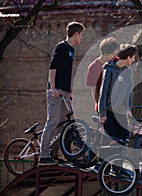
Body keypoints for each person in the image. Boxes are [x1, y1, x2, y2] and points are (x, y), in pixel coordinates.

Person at [39, 21, 85, 165]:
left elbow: (66, 73)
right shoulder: (62, 47)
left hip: (64, 93)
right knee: (52, 122)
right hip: (55, 91)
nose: (81, 38)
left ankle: (53, 153)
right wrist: (53, 88)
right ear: (76, 34)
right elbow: (53, 68)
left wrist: (68, 92)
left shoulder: (71, 50)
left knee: (63, 124)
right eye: (81, 35)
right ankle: (43, 156)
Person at [98, 44, 138, 143]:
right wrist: (102, 113)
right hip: (109, 112)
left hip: (122, 113)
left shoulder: (128, 71)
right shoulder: (109, 69)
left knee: (123, 140)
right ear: (128, 57)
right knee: (109, 142)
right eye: (133, 57)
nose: (133, 60)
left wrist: (128, 109)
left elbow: (128, 93)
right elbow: (103, 92)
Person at [86, 37, 119, 113]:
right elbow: (93, 89)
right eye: (113, 54)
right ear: (105, 54)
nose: (115, 56)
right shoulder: (93, 67)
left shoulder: (116, 61)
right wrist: (99, 105)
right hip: (104, 105)